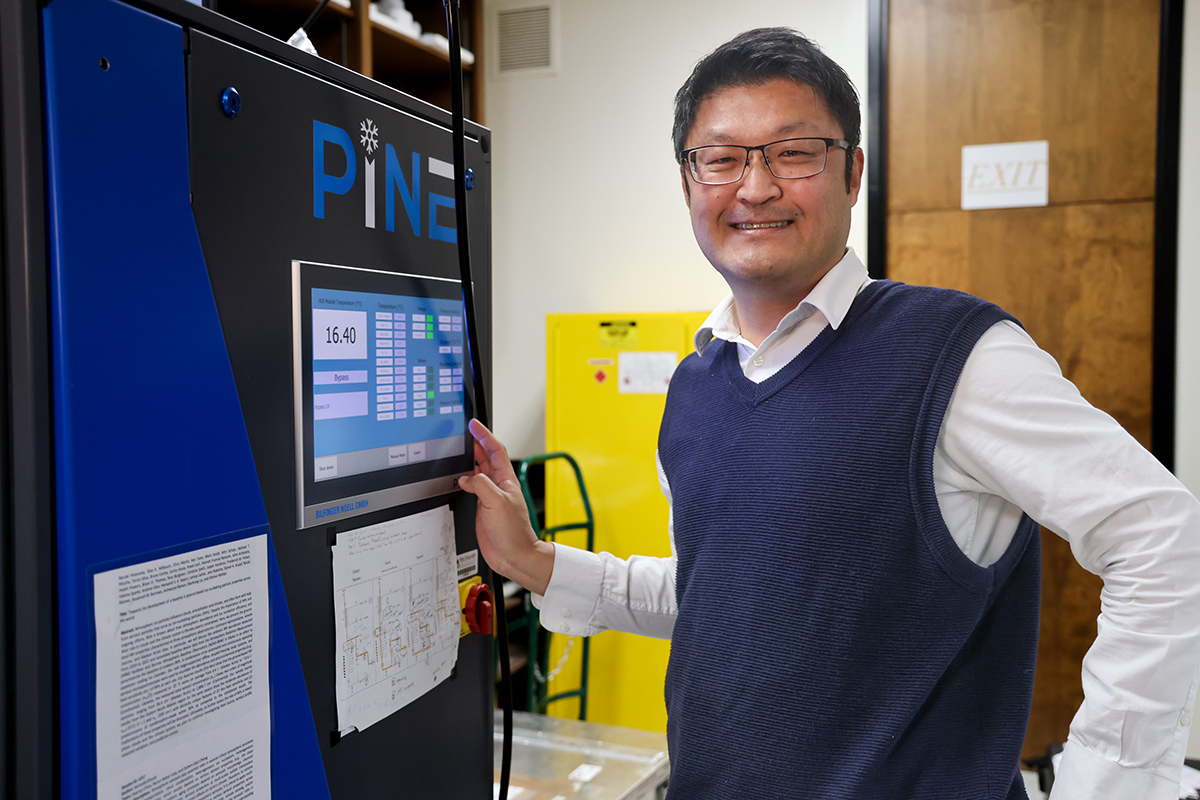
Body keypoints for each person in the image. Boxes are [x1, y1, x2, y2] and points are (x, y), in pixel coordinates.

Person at [460, 27, 1200, 800]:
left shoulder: (954, 353)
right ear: (688, 184)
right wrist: (536, 563)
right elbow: (718, 594)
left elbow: (1158, 534)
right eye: (721, 158)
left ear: (852, 174)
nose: (754, 187)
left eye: (794, 152)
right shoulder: (695, 384)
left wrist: (1104, 787)